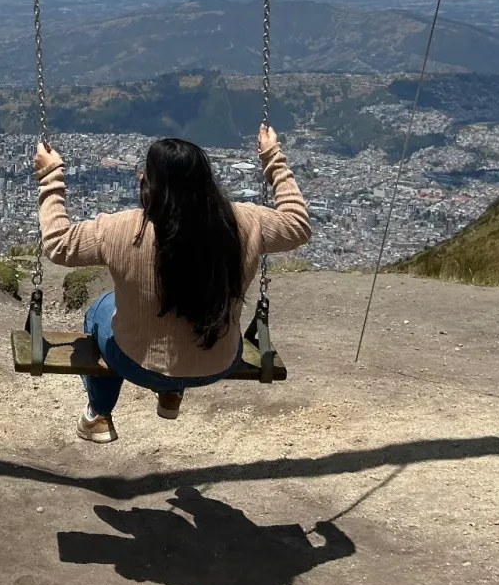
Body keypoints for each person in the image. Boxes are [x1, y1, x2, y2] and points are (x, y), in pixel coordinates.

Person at [35, 126, 310, 443]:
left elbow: (57, 244)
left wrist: (51, 175)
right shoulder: (245, 222)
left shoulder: (121, 229)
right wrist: (272, 158)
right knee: (187, 307)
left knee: (100, 310)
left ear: (149, 183)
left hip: (139, 363)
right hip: (218, 362)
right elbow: (298, 226)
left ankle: (99, 413)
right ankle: (170, 394)